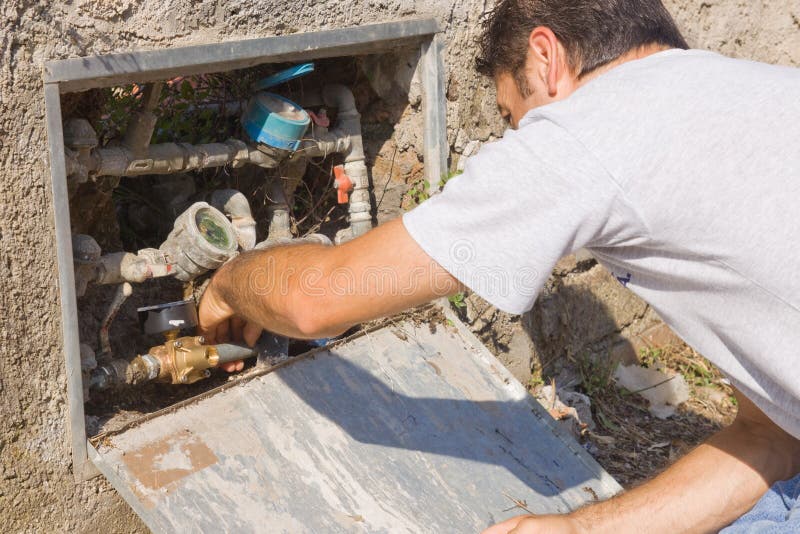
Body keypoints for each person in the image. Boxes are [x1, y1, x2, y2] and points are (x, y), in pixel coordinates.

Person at [198, 0, 800, 531]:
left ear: (547, 57)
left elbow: (314, 299)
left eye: (517, 117)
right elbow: (774, 436)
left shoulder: (589, 132)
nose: (523, 136)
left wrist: (229, 283)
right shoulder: (758, 90)